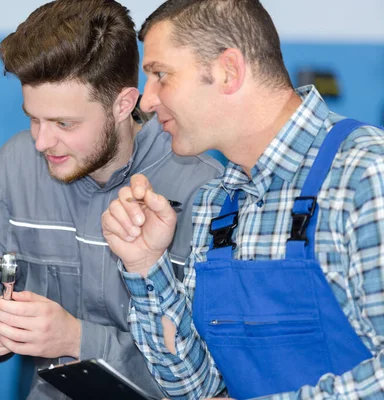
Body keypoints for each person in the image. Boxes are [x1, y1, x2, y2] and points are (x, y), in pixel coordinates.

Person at [102, 0, 384, 399]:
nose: (147, 101)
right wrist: (146, 264)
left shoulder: (365, 174)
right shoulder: (216, 205)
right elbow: (195, 388)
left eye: (161, 75)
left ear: (228, 71)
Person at [0, 0, 222, 398]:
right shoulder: (14, 167)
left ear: (124, 104)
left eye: (63, 124)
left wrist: (76, 338)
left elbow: (212, 376)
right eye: (33, 118)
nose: (41, 141)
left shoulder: (206, 191)